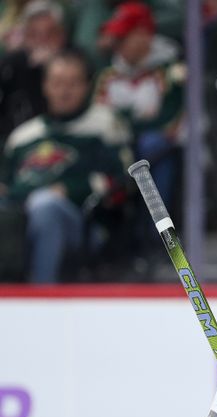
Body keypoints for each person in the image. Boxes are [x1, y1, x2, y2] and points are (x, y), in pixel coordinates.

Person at [0, 49, 131, 283]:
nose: (64, 91)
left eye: (73, 83)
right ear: (45, 86)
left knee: (46, 205)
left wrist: (69, 189)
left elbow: (123, 180)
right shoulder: (23, 136)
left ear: (86, 86)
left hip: (85, 224)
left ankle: (42, 297)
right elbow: (6, 187)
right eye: (57, 83)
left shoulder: (104, 125)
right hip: (20, 217)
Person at [93, 1, 184, 212]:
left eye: (123, 38)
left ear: (145, 35)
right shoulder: (107, 76)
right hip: (117, 150)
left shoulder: (172, 71)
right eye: (115, 38)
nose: (116, 44)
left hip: (161, 155)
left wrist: (127, 124)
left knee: (152, 144)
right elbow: (98, 117)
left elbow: (171, 121)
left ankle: (158, 230)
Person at [0, 0, 68, 146]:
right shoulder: (11, 65)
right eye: (34, 34)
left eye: (50, 34)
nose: (42, 41)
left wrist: (51, 67)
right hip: (19, 144)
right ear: (25, 37)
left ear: (62, 35)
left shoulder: (75, 63)